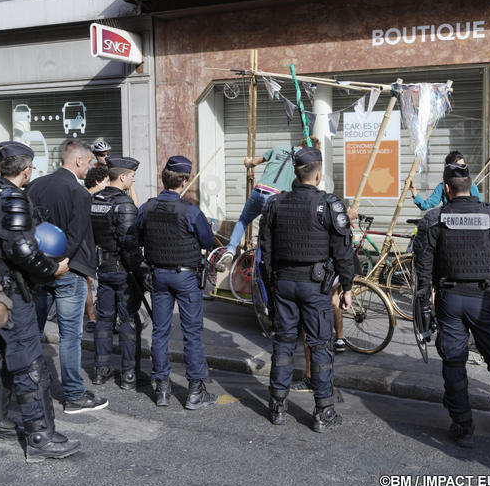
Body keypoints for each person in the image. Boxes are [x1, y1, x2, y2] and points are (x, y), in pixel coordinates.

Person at [412, 162, 490, 448]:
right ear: (470, 187)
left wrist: (423, 310)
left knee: (454, 361)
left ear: (447, 189)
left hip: (449, 300)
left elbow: (422, 269)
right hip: (486, 301)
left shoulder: (433, 219)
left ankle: (463, 425)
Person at [0, 141, 81, 461]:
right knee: (29, 361)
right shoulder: (12, 196)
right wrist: (52, 270)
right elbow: (22, 250)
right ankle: (40, 436)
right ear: (26, 170)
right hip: (11, 290)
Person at [259, 146, 354, 431]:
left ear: (296, 172)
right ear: (318, 173)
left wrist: (270, 287)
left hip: (284, 284)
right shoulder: (329, 205)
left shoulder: (275, 204)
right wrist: (347, 287)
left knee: (284, 344)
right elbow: (343, 251)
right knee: (321, 346)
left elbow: (265, 251)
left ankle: (277, 407)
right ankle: (323, 413)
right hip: (315, 287)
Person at [27, 139, 108, 414]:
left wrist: (42, 263)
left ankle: (26, 388)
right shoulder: (80, 192)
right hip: (68, 271)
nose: (91, 166)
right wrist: (61, 262)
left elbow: (29, 229)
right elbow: (75, 236)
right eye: (89, 162)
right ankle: (73, 395)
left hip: (38, 270)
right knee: (70, 336)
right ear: (78, 160)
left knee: (32, 331)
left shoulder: (36, 185)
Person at [137, 156, 215, 409]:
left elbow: (138, 236)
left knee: (159, 332)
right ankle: (194, 392)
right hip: (185, 276)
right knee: (192, 334)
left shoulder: (147, 208)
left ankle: (162, 389)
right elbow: (207, 242)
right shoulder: (190, 211)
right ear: (183, 181)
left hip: (158, 275)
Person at [90, 157, 148, 391]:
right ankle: (129, 374)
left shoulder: (95, 200)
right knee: (127, 320)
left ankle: (100, 371)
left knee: (104, 319)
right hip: (122, 271)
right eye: (132, 176)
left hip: (102, 268)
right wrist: (141, 271)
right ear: (122, 176)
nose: (133, 179)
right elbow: (129, 243)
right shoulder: (124, 204)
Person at [219, 137, 321, 269]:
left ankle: (230, 249)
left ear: (299, 143)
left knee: (244, 220)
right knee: (273, 231)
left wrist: (247, 162)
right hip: (276, 197)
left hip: (259, 190)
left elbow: (253, 162)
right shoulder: (304, 161)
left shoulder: (278, 147)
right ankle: (268, 263)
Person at [83, 164, 108, 333]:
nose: (108, 184)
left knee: (89, 283)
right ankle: (92, 317)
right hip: (89, 247)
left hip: (91, 246)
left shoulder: (86, 196)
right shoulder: (92, 198)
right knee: (89, 283)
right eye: (106, 181)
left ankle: (93, 316)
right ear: (98, 181)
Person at [409, 150, 481, 210]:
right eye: (457, 167)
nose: (461, 169)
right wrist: (413, 191)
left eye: (463, 166)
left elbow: (479, 206)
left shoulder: (471, 184)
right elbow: (425, 205)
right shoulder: (442, 186)